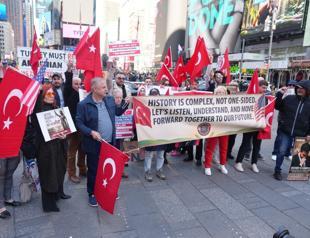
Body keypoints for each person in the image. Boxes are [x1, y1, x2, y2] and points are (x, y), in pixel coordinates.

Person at [76, 77, 128, 207]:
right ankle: (92, 193)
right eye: (103, 87)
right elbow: (79, 122)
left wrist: (125, 103)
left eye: (106, 87)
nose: (106, 89)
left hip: (110, 142)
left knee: (109, 168)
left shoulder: (109, 100)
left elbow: (118, 112)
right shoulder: (84, 104)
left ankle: (107, 190)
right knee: (93, 169)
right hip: (94, 143)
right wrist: (91, 132)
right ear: (94, 89)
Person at [33, 83, 70, 212]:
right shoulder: (38, 110)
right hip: (45, 148)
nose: (51, 96)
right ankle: (48, 204)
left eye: (53, 93)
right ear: (42, 95)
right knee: (48, 174)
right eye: (48, 93)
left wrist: (64, 134)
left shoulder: (56, 107)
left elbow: (64, 126)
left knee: (59, 169)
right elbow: (37, 131)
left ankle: (58, 194)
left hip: (58, 146)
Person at [273, 80, 310, 180]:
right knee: (281, 150)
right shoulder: (289, 98)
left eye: (302, 89)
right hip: (286, 130)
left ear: (307, 90)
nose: (299, 90)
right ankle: (277, 171)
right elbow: (277, 106)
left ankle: (298, 174)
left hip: (302, 133)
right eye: (298, 88)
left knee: (301, 154)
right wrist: (279, 94)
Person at [234, 80, 269, 173]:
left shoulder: (265, 98)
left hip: (259, 126)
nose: (265, 89)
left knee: (257, 145)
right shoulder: (250, 96)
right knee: (245, 144)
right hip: (250, 125)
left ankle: (254, 163)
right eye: (263, 87)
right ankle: (238, 162)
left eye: (266, 88)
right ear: (258, 86)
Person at [63, 66, 87, 183]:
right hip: (72, 127)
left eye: (79, 84)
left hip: (82, 127)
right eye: (75, 84)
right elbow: (68, 83)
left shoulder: (83, 93)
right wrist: (69, 70)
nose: (77, 86)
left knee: (83, 150)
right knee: (72, 152)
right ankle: (71, 173)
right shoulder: (68, 92)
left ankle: (82, 169)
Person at [204, 86, 229, 176]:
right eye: (218, 92)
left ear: (225, 94)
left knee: (224, 147)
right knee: (210, 147)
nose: (220, 94)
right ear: (215, 94)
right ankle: (207, 166)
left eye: (222, 92)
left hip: (224, 128)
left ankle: (222, 165)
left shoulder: (229, 103)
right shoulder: (211, 103)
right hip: (214, 128)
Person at [271, 80, 297, 161]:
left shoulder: (298, 96)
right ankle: (275, 152)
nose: (291, 87)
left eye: (293, 86)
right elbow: (277, 106)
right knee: (279, 137)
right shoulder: (283, 94)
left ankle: (288, 153)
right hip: (283, 120)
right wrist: (280, 94)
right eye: (290, 85)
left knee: (291, 139)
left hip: (294, 122)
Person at [144, 88, 166, 182]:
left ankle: (159, 170)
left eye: (156, 94)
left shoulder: (164, 107)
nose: (154, 96)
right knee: (149, 154)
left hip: (161, 133)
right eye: (152, 94)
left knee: (161, 154)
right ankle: (147, 171)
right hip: (150, 134)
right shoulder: (145, 106)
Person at [183, 79, 203, 166]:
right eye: (193, 84)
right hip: (188, 121)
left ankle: (198, 158)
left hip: (199, 121)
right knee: (188, 139)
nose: (194, 86)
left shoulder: (202, 94)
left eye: (196, 84)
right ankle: (190, 156)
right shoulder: (185, 93)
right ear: (190, 85)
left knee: (200, 141)